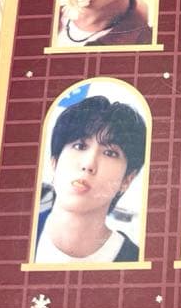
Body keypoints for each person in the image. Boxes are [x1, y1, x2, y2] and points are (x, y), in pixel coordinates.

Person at [34, 95, 147, 262]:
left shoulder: (135, 260)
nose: (88, 164)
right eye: (79, 146)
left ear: (127, 180)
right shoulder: (15, 232)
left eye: (110, 153)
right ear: (55, 162)